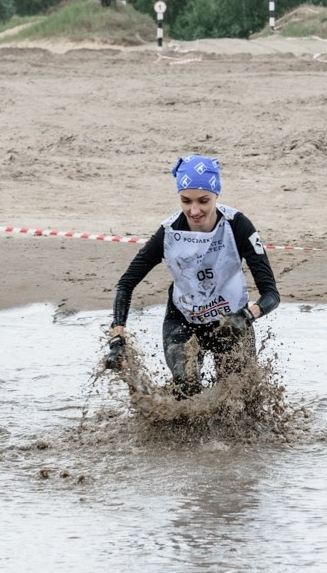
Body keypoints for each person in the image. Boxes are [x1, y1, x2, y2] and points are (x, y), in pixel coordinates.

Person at [106, 155, 280, 396]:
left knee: (241, 398)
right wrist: (117, 338)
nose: (194, 210)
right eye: (186, 201)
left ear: (216, 195)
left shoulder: (238, 226)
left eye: (203, 201)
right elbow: (126, 284)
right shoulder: (168, 232)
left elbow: (271, 294)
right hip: (183, 320)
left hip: (231, 323)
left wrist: (246, 316)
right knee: (187, 389)